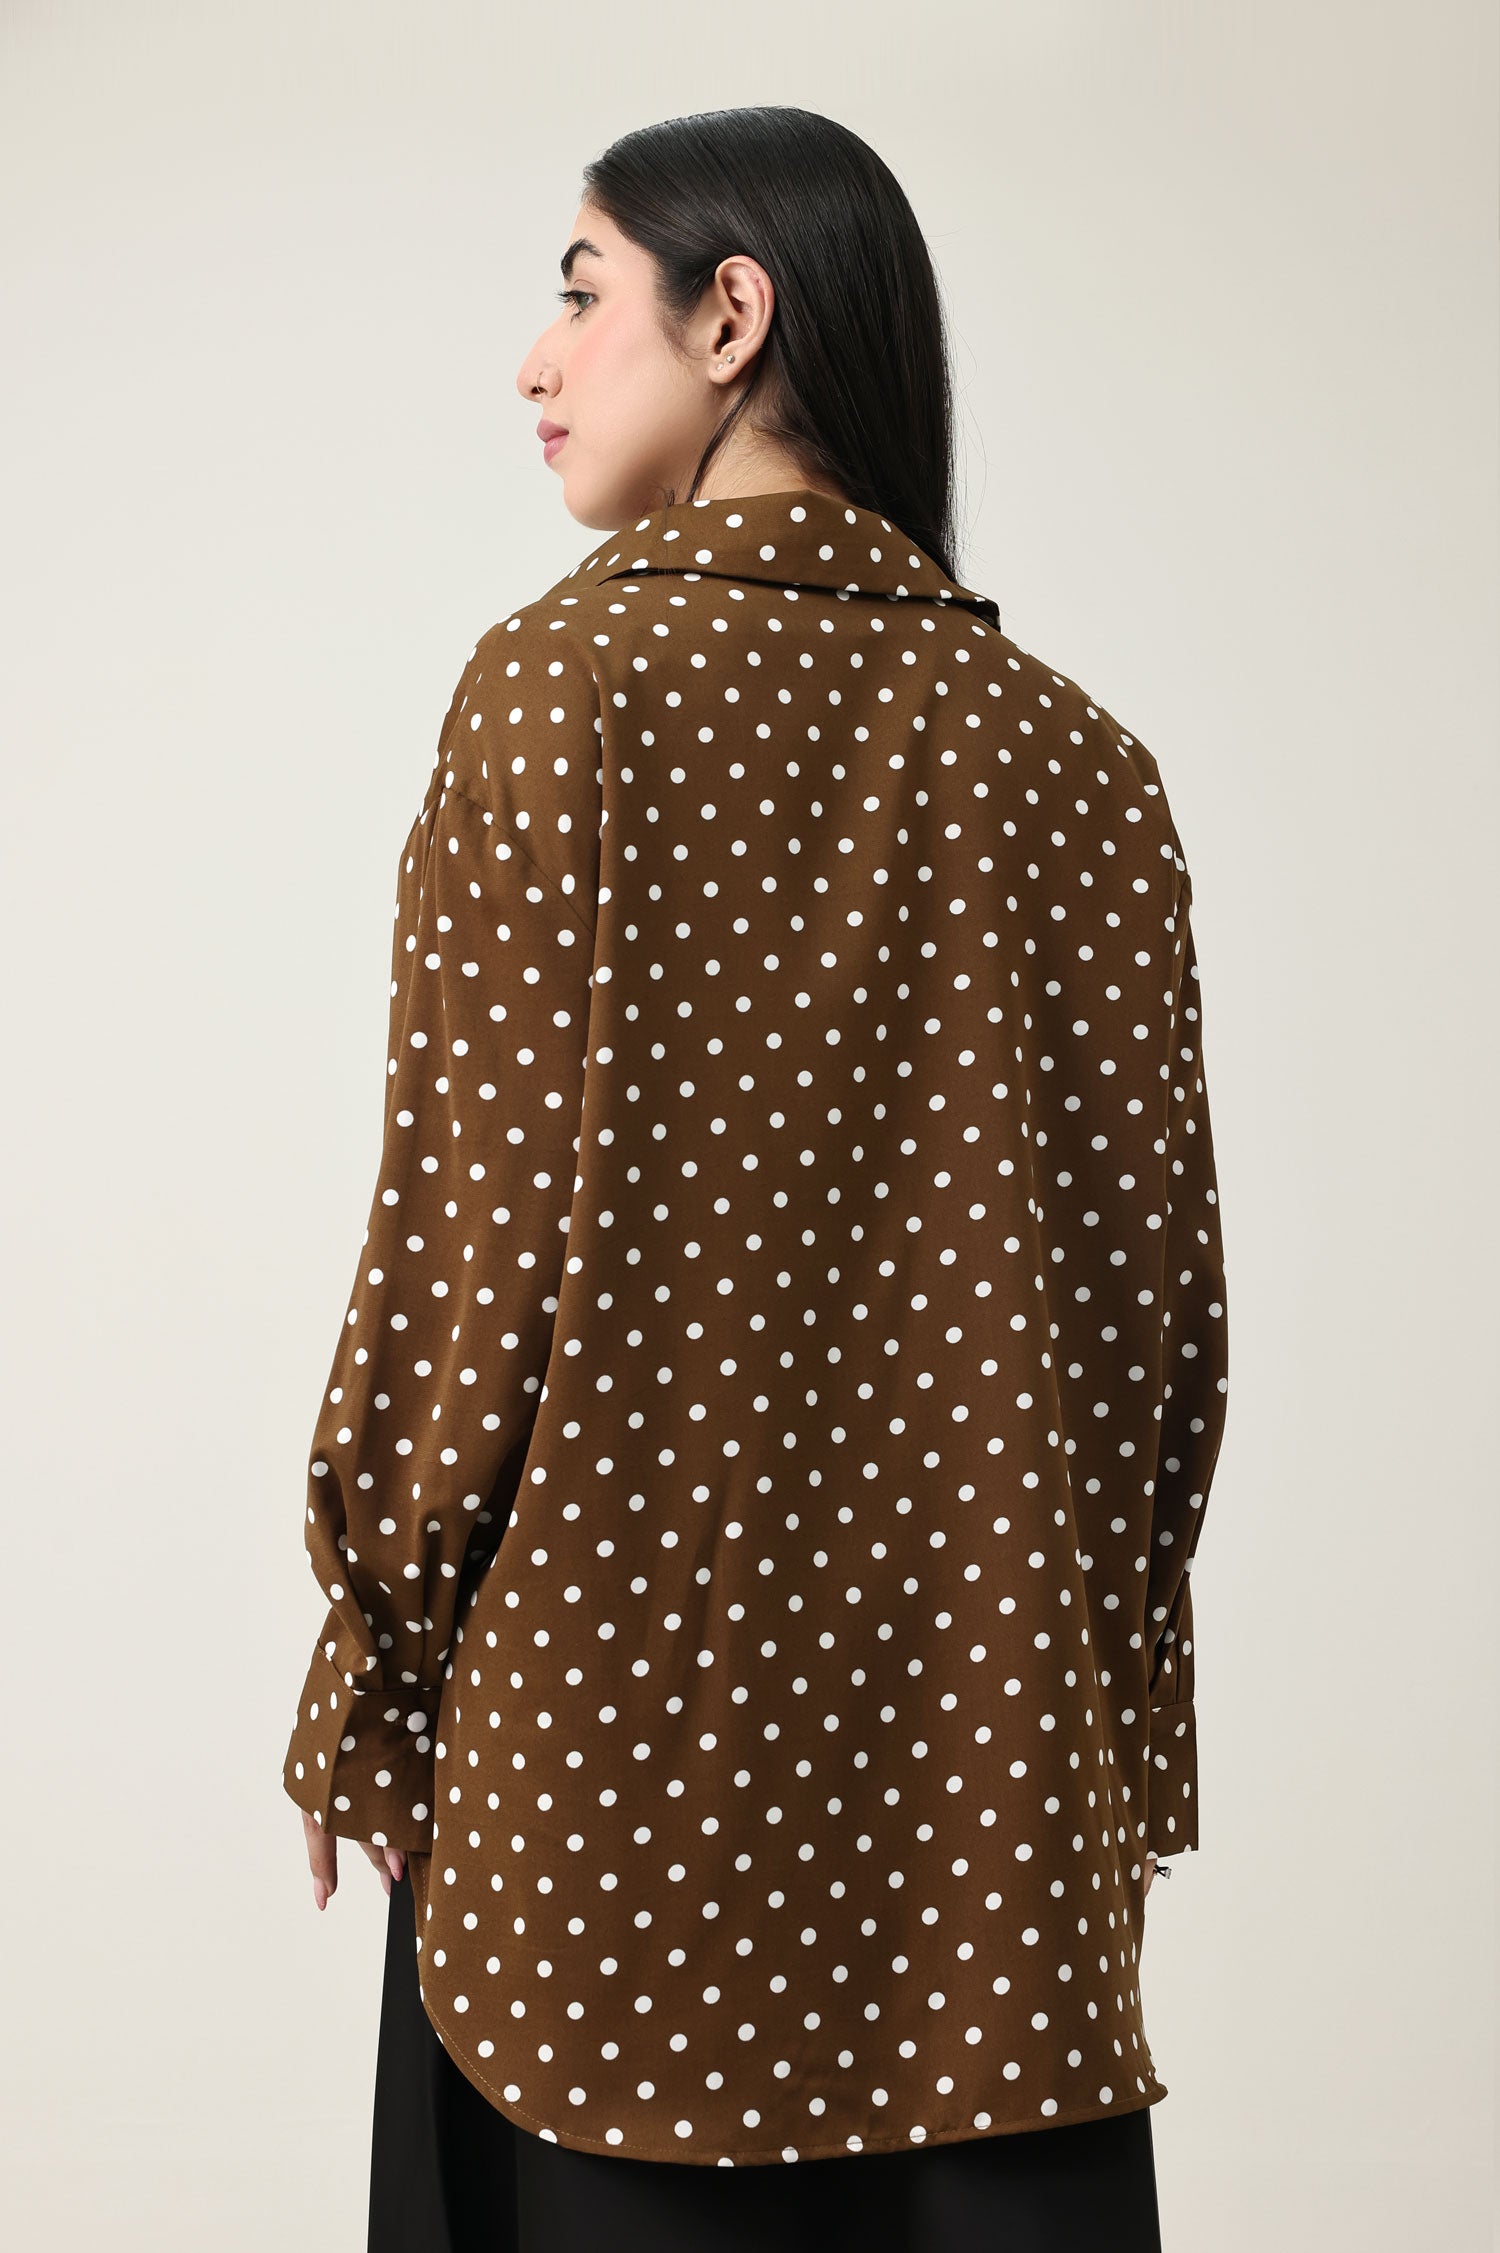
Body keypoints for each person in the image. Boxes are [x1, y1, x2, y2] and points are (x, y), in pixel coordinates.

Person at [281, 105, 1229, 2253]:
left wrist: (377, 1666)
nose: (535, 361)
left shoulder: (562, 692)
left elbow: (470, 1261)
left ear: (734, 315)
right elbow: (1152, 1343)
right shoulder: (1085, 768)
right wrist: (1107, 1750)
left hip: (603, 1878)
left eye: (578, 291)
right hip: (990, 1877)